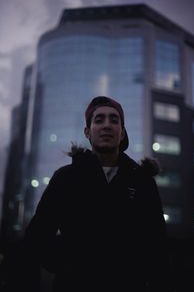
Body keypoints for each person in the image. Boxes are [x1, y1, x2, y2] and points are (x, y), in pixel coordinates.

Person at [1, 96, 174, 291]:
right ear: (87, 132)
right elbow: (36, 239)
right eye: (99, 120)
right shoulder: (66, 178)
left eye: (114, 120)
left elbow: (158, 248)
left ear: (122, 132)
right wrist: (65, 263)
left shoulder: (142, 182)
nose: (107, 125)